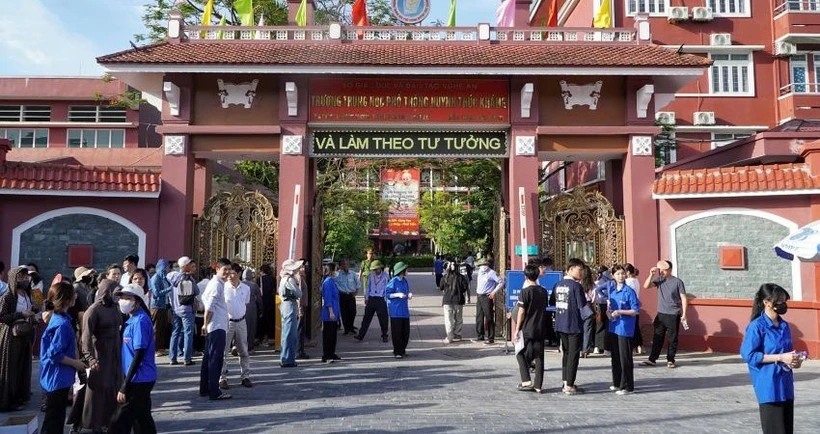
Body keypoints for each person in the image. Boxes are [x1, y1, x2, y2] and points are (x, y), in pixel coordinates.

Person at [740, 283, 804, 434]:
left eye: (784, 300)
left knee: (787, 429)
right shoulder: (757, 326)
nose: (783, 304)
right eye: (779, 301)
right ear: (766, 302)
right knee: (775, 430)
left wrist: (795, 361)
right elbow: (748, 355)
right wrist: (781, 357)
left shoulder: (784, 325)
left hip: (785, 384)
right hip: (768, 384)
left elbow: (788, 353)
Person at [109, 284, 158, 433]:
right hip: (138, 378)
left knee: (119, 421)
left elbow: (139, 354)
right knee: (142, 419)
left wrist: (125, 385)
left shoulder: (140, 321)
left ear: (137, 301)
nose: (123, 301)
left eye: (128, 298)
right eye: (122, 297)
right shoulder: (131, 320)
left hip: (139, 379)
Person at [39, 281, 87, 434]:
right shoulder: (62, 324)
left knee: (54, 419)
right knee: (54, 421)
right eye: (73, 294)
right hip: (57, 378)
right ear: (67, 300)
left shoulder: (59, 318)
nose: (76, 296)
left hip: (54, 377)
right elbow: (55, 354)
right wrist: (76, 364)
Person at [79, 279, 123, 433]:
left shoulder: (115, 307)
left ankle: (110, 420)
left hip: (115, 350)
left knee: (114, 385)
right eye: (114, 293)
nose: (117, 296)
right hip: (101, 351)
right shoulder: (94, 310)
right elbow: (85, 336)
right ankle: (94, 423)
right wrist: (91, 358)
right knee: (99, 388)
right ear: (106, 291)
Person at [0, 266, 36, 411]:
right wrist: (21, 315)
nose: (25, 279)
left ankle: (20, 396)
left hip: (25, 334)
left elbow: (33, 309)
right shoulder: (7, 297)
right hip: (11, 336)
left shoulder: (28, 295)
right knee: (12, 368)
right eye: (21, 277)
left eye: (26, 277)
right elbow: (2, 317)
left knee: (23, 366)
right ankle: (9, 400)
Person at [641, 260, 687, 369]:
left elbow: (683, 298)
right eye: (660, 270)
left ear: (670, 270)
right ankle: (652, 359)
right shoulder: (659, 280)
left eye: (664, 270)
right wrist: (651, 275)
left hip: (673, 314)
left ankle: (670, 360)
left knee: (672, 338)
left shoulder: (678, 282)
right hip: (661, 314)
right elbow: (646, 286)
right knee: (657, 337)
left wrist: (684, 314)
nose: (661, 272)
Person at [554, 257, 588, 395]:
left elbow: (552, 300)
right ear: (570, 269)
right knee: (573, 355)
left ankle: (565, 381)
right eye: (579, 269)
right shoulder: (576, 286)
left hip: (561, 323)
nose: (581, 273)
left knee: (566, 354)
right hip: (574, 324)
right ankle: (569, 385)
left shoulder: (558, 284)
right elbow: (583, 306)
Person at [200, 259, 232, 400]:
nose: (227, 273)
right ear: (217, 269)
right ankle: (214, 391)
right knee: (215, 359)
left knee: (209, 358)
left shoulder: (217, 284)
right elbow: (210, 307)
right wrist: (205, 324)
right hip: (216, 326)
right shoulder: (216, 285)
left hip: (216, 325)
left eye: (229, 270)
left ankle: (205, 388)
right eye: (224, 269)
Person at [607, 265, 640, 395]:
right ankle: (617, 382)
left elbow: (635, 310)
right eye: (618, 274)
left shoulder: (629, 291)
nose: (621, 276)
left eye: (622, 274)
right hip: (614, 327)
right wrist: (609, 313)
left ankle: (627, 386)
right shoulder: (613, 291)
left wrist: (620, 311)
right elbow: (610, 309)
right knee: (615, 357)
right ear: (613, 276)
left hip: (625, 328)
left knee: (625, 357)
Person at [514, 264, 548, 393]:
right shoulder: (543, 291)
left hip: (528, 327)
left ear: (526, 276)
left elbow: (521, 312)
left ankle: (526, 380)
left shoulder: (525, 292)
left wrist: (517, 329)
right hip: (540, 326)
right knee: (539, 357)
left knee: (520, 353)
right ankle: (538, 385)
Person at [221, 263, 253, 387]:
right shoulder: (223, 287)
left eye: (232, 273)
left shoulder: (246, 289)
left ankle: (245, 376)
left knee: (243, 350)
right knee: (224, 351)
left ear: (239, 273)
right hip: (227, 322)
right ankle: (222, 377)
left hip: (241, 321)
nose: (229, 275)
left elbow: (246, 302)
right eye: (228, 272)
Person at [170, 256, 199, 366]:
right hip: (186, 308)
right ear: (186, 266)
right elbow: (196, 291)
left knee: (175, 332)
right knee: (188, 333)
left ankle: (172, 357)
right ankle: (187, 358)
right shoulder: (188, 278)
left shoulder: (173, 277)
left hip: (176, 308)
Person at [355, 260, 390, 343]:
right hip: (371, 298)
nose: (375, 271)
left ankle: (384, 335)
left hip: (381, 299)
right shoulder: (371, 275)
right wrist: (366, 298)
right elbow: (367, 287)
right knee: (366, 318)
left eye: (376, 269)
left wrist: (387, 300)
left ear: (379, 268)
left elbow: (388, 288)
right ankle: (361, 335)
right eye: (373, 270)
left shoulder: (385, 276)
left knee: (383, 319)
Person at [278, 259, 304, 368]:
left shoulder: (284, 278)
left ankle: (286, 357)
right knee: (290, 334)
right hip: (289, 305)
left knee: (286, 333)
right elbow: (299, 293)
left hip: (285, 304)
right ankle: (288, 359)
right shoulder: (289, 280)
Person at [385, 261, 412, 359]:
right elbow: (387, 294)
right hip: (395, 311)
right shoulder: (394, 281)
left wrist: (408, 294)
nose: (407, 271)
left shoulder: (405, 281)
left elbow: (407, 291)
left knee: (405, 332)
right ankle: (397, 351)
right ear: (402, 271)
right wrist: (397, 294)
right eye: (406, 269)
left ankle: (403, 349)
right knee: (397, 332)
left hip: (404, 311)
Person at [474, 258, 504, 344]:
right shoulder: (480, 271)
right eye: (481, 265)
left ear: (488, 265)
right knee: (479, 316)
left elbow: (501, 282)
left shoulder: (492, 273)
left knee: (489, 317)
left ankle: (491, 338)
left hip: (487, 296)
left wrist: (494, 292)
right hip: (479, 296)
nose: (483, 267)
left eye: (485, 265)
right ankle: (480, 336)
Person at [440, 260, 468, 344]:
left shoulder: (445, 277)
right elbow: (465, 287)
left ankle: (449, 337)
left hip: (447, 301)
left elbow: (441, 287)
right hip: (458, 301)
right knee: (458, 319)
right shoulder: (461, 277)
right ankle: (457, 335)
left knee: (448, 320)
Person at [150, 259, 173, 357]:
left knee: (163, 327)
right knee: (157, 328)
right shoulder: (156, 278)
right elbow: (156, 293)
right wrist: (169, 289)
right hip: (157, 306)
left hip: (164, 305)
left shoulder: (164, 278)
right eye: (167, 267)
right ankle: (155, 349)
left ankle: (161, 348)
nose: (168, 269)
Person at [320, 263, 342, 364]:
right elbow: (328, 298)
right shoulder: (328, 282)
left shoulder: (332, 281)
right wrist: (331, 312)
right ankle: (327, 355)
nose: (337, 272)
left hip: (334, 311)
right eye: (336, 269)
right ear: (332, 270)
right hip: (329, 313)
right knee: (328, 335)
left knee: (333, 335)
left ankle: (331, 353)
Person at [335, 259, 360, 336]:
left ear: (348, 265)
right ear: (341, 266)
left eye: (346, 264)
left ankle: (351, 327)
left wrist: (356, 292)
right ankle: (346, 329)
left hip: (351, 295)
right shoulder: (338, 275)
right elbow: (336, 285)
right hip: (343, 295)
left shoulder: (353, 274)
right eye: (343, 264)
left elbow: (358, 283)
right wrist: (342, 291)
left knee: (352, 312)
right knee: (344, 313)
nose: (345, 266)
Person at [242, 268, 263, 355]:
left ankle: (239, 346)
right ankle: (249, 347)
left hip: (241, 308)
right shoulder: (254, 285)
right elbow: (259, 299)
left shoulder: (239, 284)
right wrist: (261, 309)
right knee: (251, 327)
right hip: (251, 308)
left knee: (242, 328)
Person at [624, 263, 644, 355]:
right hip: (636, 305)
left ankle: (633, 346)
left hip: (629, 306)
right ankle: (639, 346)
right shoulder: (636, 280)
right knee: (636, 327)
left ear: (627, 272)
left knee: (631, 328)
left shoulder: (628, 282)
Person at [593, 267, 612, 355]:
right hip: (606, 305)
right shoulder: (610, 283)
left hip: (599, 305)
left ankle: (597, 347)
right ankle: (605, 348)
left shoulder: (596, 283)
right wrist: (606, 297)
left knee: (600, 326)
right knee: (606, 326)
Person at [257, 264, 277, 348]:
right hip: (271, 301)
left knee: (262, 320)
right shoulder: (273, 279)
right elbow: (274, 290)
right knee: (270, 319)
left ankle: (261, 338)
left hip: (262, 301)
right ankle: (271, 337)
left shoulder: (259, 279)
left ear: (261, 271)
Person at [580, 265, 595, 358]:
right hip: (588, 305)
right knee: (587, 329)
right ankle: (585, 350)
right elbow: (594, 298)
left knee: (578, 329)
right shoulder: (592, 285)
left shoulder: (577, 283)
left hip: (579, 306)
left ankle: (579, 348)